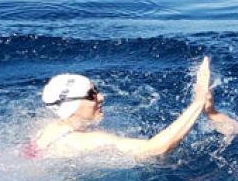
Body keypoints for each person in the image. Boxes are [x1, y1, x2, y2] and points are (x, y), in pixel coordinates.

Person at [24, 57, 212, 159]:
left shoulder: (49, 128)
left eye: (96, 90)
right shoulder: (83, 141)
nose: (101, 97)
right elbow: (155, 148)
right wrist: (198, 102)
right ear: (70, 107)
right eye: (91, 95)